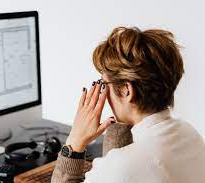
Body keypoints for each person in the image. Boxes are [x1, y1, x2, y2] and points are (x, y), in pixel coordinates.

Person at [51, 27, 205, 183]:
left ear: (126, 90)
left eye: (104, 84)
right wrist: (122, 118)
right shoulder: (191, 134)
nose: (103, 92)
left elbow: (120, 168)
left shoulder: (123, 165)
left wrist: (74, 141)